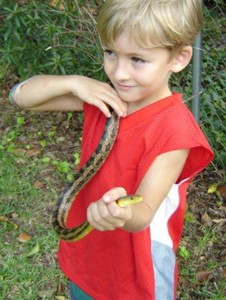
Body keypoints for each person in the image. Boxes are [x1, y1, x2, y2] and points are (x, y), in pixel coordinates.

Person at [10, 0, 213, 299]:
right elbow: (21, 97)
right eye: (110, 53)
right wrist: (74, 82)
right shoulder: (102, 99)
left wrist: (119, 214)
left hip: (135, 272)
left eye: (137, 60)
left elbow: (142, 212)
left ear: (179, 58)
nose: (119, 73)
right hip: (87, 258)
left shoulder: (175, 130)